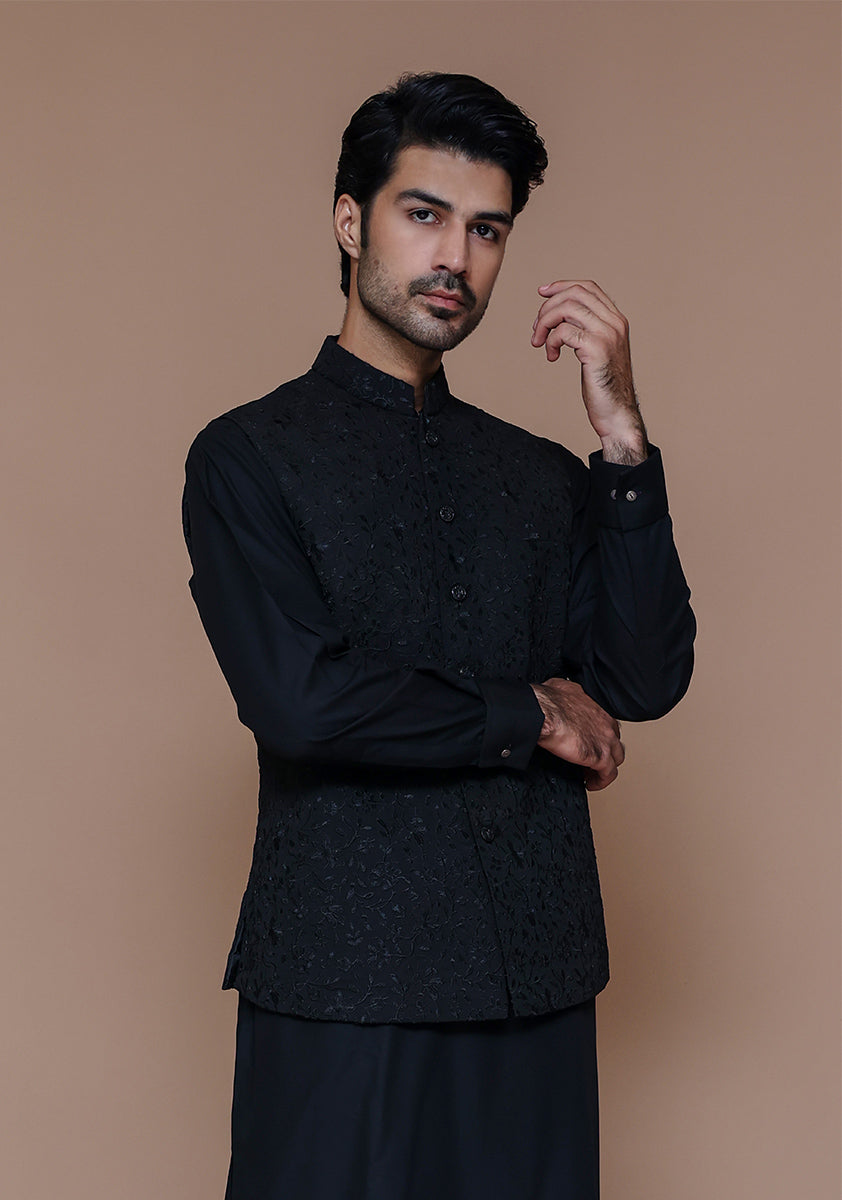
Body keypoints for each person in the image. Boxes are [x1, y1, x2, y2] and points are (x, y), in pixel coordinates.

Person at [182, 72, 695, 1200]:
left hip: (537, 980)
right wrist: (529, 712)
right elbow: (302, 699)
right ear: (350, 219)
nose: (455, 256)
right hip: (343, 982)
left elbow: (643, 677)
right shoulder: (249, 456)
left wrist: (621, 444)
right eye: (424, 214)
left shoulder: (540, 475)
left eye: (486, 229)